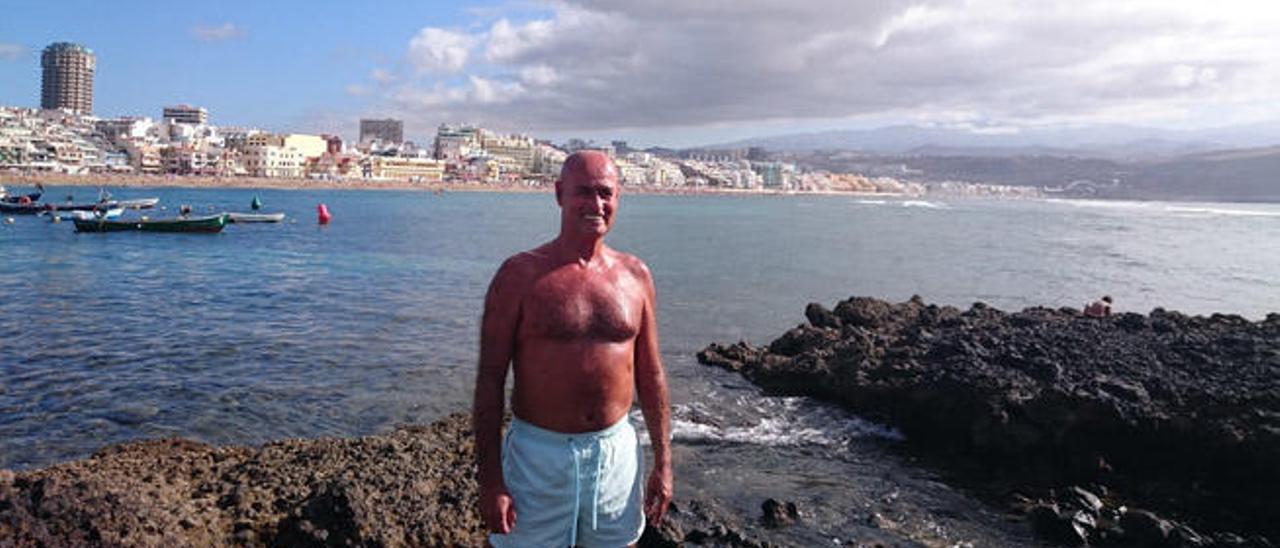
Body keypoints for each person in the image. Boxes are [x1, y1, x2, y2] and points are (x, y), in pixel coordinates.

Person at [473, 150, 672, 547]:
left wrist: (664, 464)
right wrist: (491, 481)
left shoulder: (636, 275)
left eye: (605, 193)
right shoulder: (519, 276)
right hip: (538, 457)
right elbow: (491, 381)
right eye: (584, 192)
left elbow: (650, 375)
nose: (596, 204)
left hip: (615, 454)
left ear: (618, 198)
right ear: (560, 193)